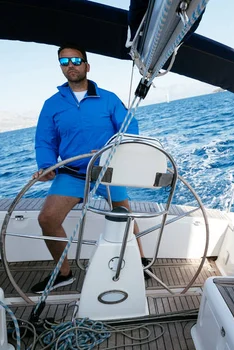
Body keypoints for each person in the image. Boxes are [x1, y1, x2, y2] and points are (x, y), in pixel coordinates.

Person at [31, 43, 150, 294]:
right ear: (61, 68)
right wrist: (46, 166)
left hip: (108, 171)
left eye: (75, 60)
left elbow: (129, 129)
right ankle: (63, 274)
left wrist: (112, 152)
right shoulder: (51, 104)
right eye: (64, 62)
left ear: (87, 65)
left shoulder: (108, 99)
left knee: (125, 216)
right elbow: (45, 140)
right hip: (72, 173)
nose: (70, 65)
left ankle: (140, 263)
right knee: (47, 219)